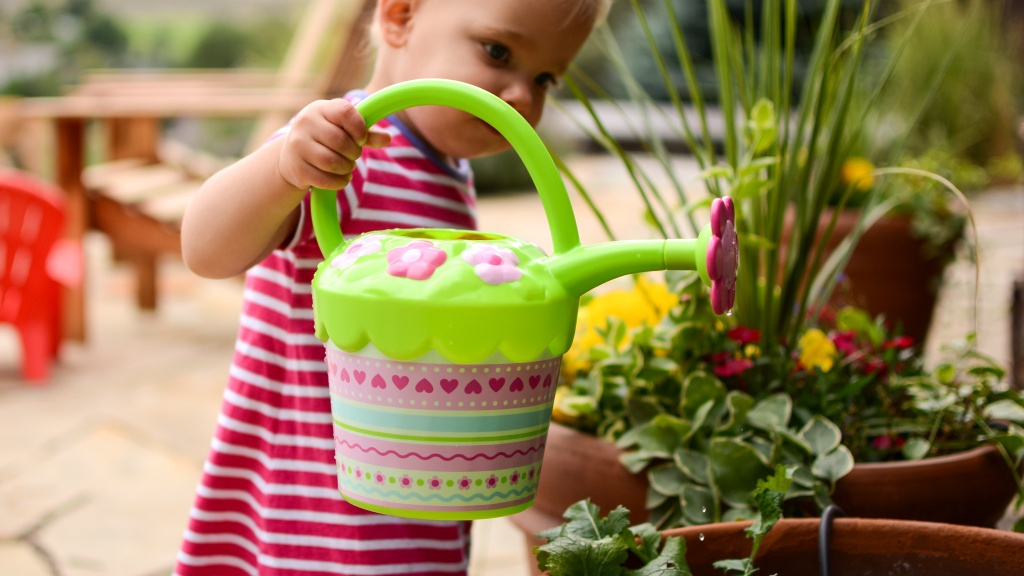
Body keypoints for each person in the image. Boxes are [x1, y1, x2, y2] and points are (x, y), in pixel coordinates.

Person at [174, 0, 610, 573]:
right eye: (498, 52)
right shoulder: (343, 155)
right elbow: (206, 248)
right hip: (313, 519)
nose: (524, 99)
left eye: (545, 78)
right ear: (400, 18)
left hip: (408, 501)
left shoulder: (443, 170)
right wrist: (284, 165)